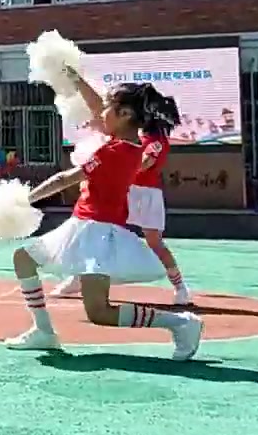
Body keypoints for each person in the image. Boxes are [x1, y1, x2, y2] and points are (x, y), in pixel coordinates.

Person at [3, 69, 203, 360]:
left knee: (99, 312)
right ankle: (43, 332)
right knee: (23, 258)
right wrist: (75, 79)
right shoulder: (131, 144)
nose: (100, 112)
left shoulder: (115, 151)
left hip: (95, 232)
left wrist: (25, 199)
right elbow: (98, 108)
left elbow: (65, 179)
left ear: (123, 113)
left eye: (108, 107)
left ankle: (180, 323)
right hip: (86, 226)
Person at [53, 117, 193, 304]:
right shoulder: (128, 136)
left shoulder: (156, 140)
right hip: (124, 189)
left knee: (155, 242)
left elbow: (145, 163)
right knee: (97, 233)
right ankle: (79, 277)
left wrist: (117, 165)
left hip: (146, 194)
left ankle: (180, 288)